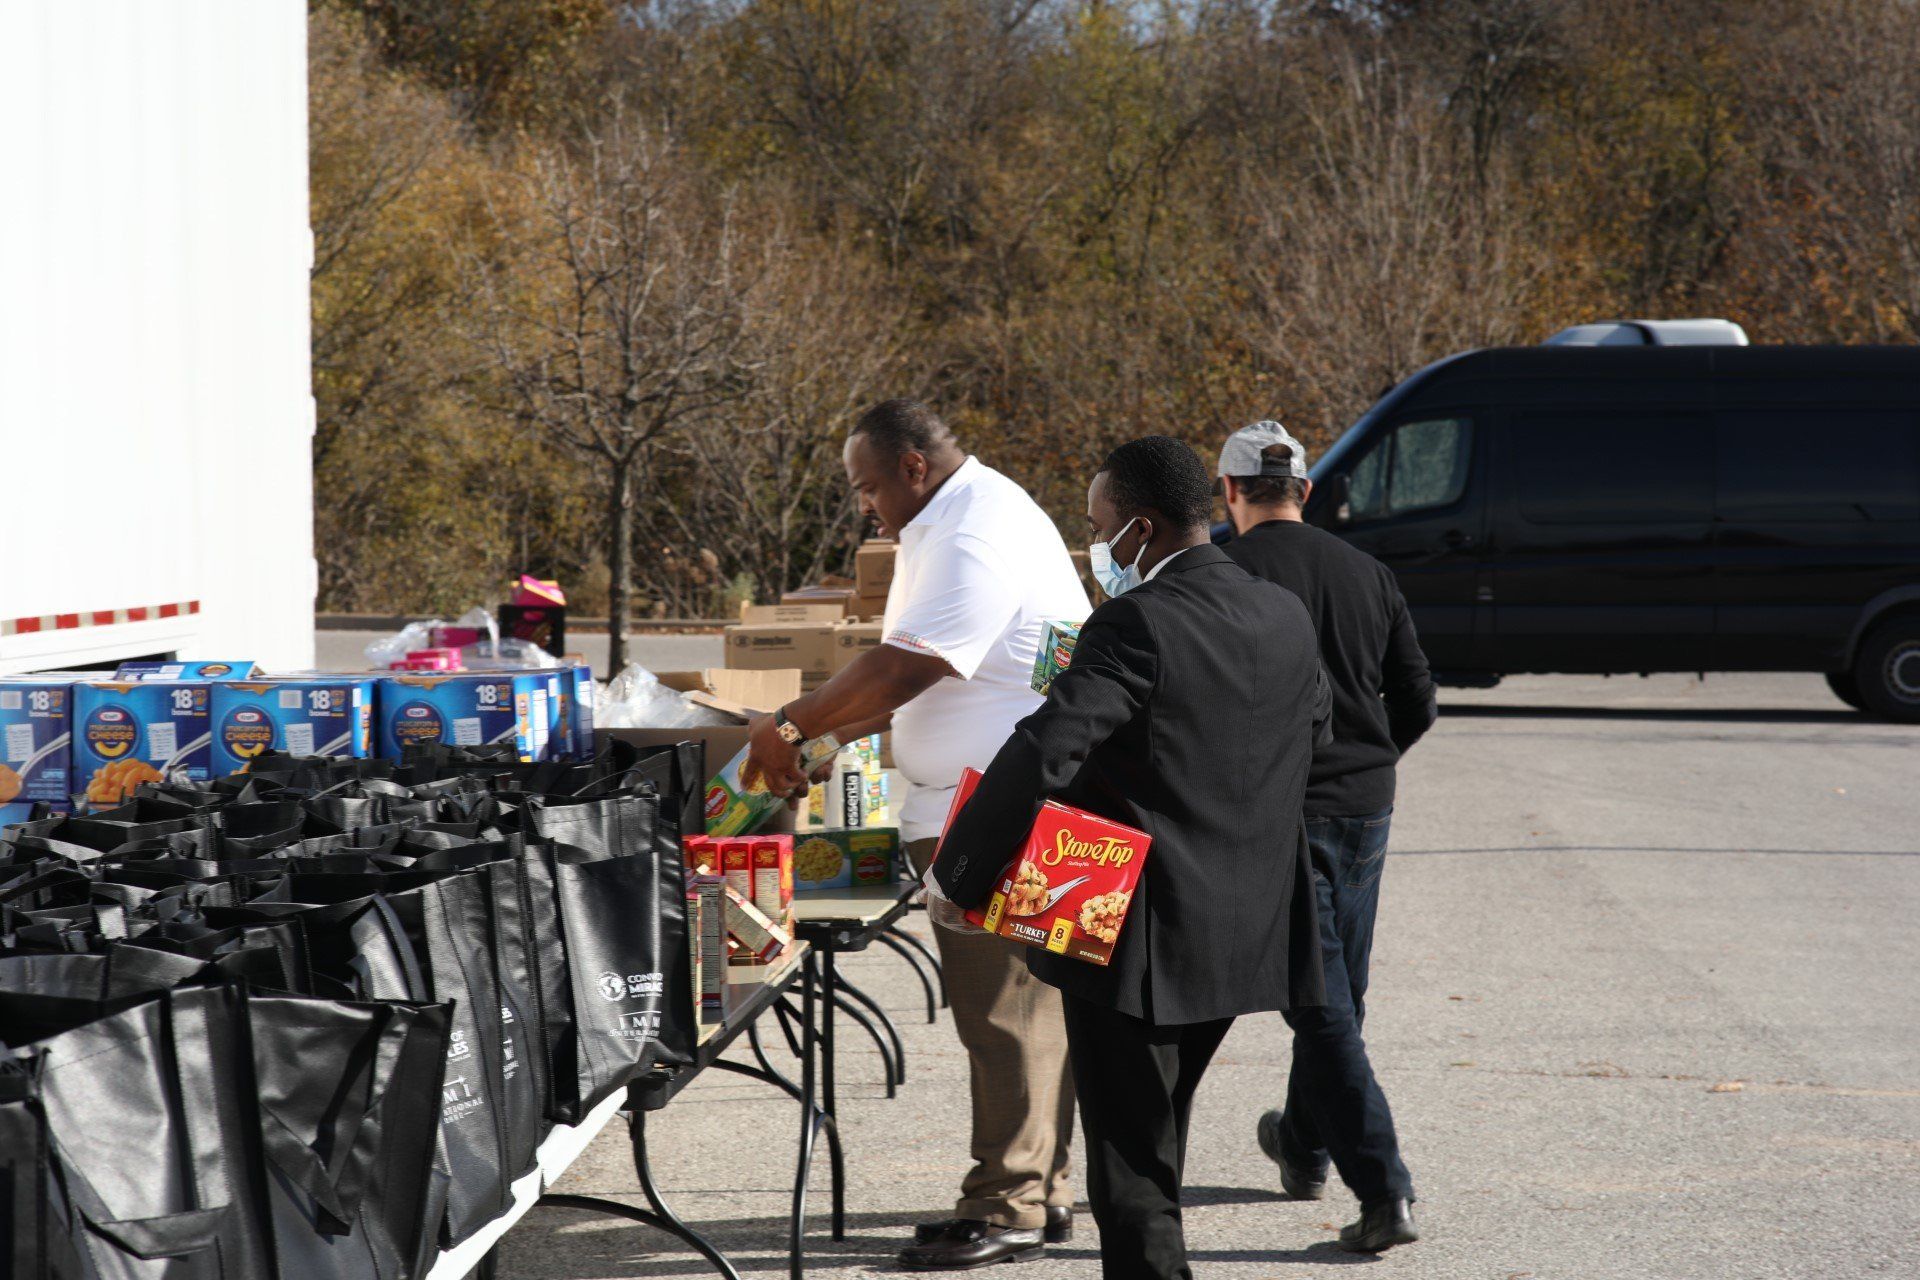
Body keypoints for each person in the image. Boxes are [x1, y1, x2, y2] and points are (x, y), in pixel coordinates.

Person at [930, 435, 1331, 1280]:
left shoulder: (1136, 619)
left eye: (1097, 525)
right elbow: (1315, 735)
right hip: (1246, 922)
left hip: (1141, 936)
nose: (1094, 545)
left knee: (1132, 1171)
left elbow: (1045, 750)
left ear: (1139, 530)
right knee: (1155, 1137)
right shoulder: (1280, 611)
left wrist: (956, 873)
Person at [744, 399, 1090, 1269]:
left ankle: (1006, 1203)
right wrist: (833, 733)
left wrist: (790, 726)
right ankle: (1042, 1190)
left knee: (1004, 1012)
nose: (866, 506)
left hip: (1003, 810)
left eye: (868, 487)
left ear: (912, 467)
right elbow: (951, 673)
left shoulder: (972, 531)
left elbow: (909, 666)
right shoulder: (979, 512)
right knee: (1041, 1010)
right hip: (1034, 794)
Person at [1217, 420, 1435, 1253]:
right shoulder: (1367, 572)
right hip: (1365, 806)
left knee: (1324, 1007)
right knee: (1339, 998)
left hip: (1280, 813)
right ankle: (1302, 1143)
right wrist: (1369, 758)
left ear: (1228, 491)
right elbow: (1416, 695)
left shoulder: (1222, 574)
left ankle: (1386, 1191)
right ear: (1304, 491)